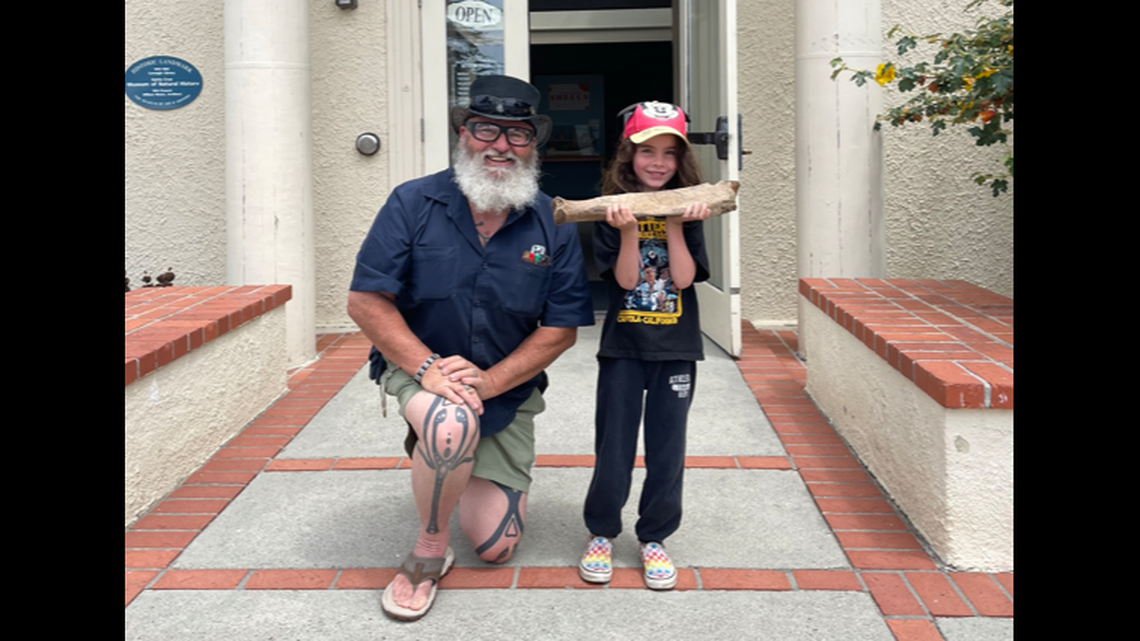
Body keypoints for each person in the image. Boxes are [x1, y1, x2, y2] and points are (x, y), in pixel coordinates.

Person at [347, 75, 595, 621]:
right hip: (419, 368)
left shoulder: (551, 221)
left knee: (495, 548)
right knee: (449, 423)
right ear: (464, 133)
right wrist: (429, 369)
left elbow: (561, 328)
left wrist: (487, 382)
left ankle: (446, 455)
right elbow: (366, 302)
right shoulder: (413, 202)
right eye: (486, 129)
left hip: (503, 388)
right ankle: (428, 552)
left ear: (534, 145)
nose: (501, 145)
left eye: (518, 134)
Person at [578, 101, 712, 591]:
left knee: (667, 446)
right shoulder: (611, 213)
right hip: (623, 349)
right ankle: (601, 532)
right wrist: (631, 229)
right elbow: (627, 278)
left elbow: (681, 279)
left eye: (669, 154)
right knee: (613, 445)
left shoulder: (692, 209)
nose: (657, 162)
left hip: (676, 349)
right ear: (628, 155)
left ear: (681, 161)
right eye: (647, 151)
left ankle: (654, 537)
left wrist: (676, 224)